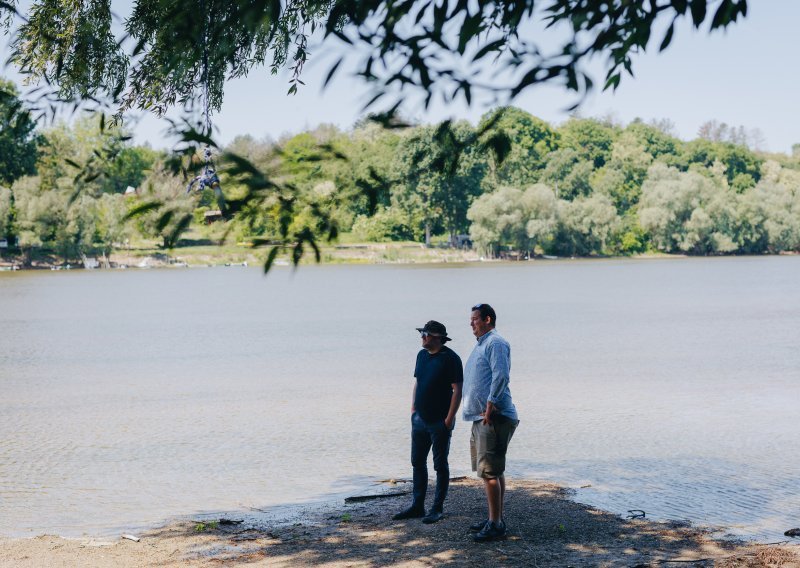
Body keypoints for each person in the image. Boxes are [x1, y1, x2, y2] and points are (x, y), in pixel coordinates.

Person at [393, 320, 463, 524]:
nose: (422, 337)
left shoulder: (450, 358)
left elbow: (457, 390)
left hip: (439, 421)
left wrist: (449, 419)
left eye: (426, 334)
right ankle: (418, 505)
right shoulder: (421, 355)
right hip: (419, 419)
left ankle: (437, 508)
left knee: (440, 465)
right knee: (417, 462)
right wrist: (413, 409)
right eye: (422, 333)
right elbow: (418, 382)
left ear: (438, 338)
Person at [462, 303, 519, 542]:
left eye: (475, 319)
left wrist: (490, 405)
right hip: (482, 417)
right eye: (471, 319)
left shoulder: (495, 342)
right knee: (493, 471)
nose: (471, 323)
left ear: (488, 319)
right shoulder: (483, 344)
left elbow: (501, 375)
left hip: (492, 417)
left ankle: (496, 525)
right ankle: (495, 518)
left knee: (490, 472)